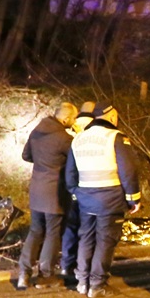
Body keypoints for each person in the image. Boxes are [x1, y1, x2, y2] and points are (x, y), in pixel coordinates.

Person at [64, 103, 141, 298]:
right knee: (105, 241)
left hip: (85, 200)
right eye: (115, 115)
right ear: (110, 117)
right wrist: (133, 198)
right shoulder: (116, 138)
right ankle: (97, 284)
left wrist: (76, 193)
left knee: (86, 238)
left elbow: (70, 173)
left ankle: (82, 281)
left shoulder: (78, 139)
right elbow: (128, 170)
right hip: (110, 199)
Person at [15, 102, 78, 290]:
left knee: (35, 231)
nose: (74, 121)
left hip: (36, 189)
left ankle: (24, 274)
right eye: (73, 118)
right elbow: (75, 163)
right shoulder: (64, 139)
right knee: (52, 232)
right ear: (66, 119)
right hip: (55, 193)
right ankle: (45, 275)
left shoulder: (37, 131)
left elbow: (26, 156)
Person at [59, 101, 96, 279]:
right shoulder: (95, 129)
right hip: (88, 186)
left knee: (70, 226)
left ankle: (66, 264)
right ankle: (84, 268)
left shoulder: (67, 129)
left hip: (68, 185)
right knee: (87, 230)